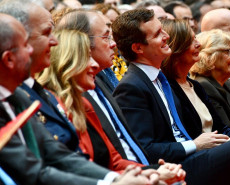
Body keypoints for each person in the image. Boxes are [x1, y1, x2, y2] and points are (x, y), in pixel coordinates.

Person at [112, 8, 230, 185]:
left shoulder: (160, 79)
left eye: (163, 30)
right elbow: (145, 149)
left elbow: (214, 129)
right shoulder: (131, 87)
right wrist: (195, 145)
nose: (166, 36)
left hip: (197, 155)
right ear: (138, 48)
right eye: (158, 34)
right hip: (176, 167)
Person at [0, 12, 155, 185]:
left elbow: (60, 156)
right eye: (24, 46)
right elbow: (35, 172)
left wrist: (140, 175)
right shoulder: (32, 96)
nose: (31, 51)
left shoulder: (21, 95)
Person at [37, 29, 185, 184]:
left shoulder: (84, 104)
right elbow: (74, 168)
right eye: (87, 57)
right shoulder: (50, 108)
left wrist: (154, 172)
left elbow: (114, 161)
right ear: (67, 62)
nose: (95, 65)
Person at [0, 0, 80, 152]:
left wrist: (112, 177)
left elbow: (63, 155)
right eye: (46, 33)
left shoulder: (32, 91)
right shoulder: (14, 95)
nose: (55, 42)